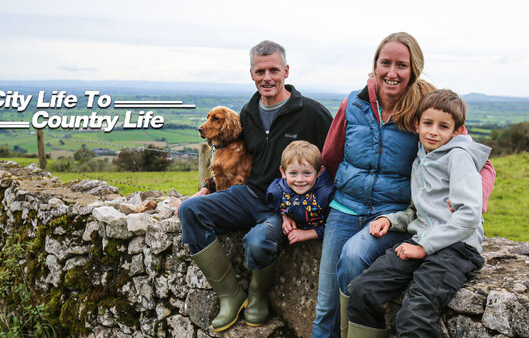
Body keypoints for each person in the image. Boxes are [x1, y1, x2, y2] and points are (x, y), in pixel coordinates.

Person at [311, 32, 496, 338]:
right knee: (325, 305)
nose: (392, 72)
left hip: (393, 210)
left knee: (355, 258)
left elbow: (478, 161)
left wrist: (474, 202)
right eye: (386, 63)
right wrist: (304, 208)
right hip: (346, 206)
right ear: (375, 65)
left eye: (401, 65)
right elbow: (329, 159)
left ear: (414, 70)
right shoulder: (352, 104)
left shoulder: (427, 108)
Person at [179, 40, 333, 332]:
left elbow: (335, 158)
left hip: (283, 207)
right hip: (248, 194)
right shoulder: (248, 112)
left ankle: (258, 295)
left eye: (273, 70)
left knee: (258, 241)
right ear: (251, 74)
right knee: (190, 210)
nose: (267, 77)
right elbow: (236, 157)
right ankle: (230, 295)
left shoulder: (311, 113)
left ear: (286, 71)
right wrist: (210, 185)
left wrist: (316, 206)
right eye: (260, 71)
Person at [346, 89, 490, 337]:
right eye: (428, 123)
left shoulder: (459, 158)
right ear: (417, 124)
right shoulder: (422, 158)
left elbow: (469, 215)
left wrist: (424, 246)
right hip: (422, 239)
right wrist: (389, 220)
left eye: (443, 126)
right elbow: (418, 212)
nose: (433, 131)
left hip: (457, 248)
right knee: (362, 290)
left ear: (457, 131)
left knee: (414, 315)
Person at [266, 140, 335, 245]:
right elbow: (275, 208)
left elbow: (336, 225)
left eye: (307, 173)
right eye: (293, 173)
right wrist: (285, 216)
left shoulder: (326, 194)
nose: (299, 179)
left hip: (318, 232)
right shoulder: (277, 191)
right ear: (283, 172)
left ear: (319, 172)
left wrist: (309, 233)